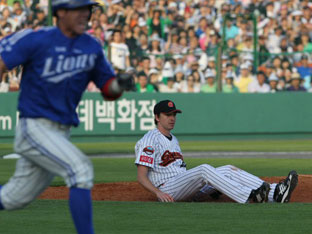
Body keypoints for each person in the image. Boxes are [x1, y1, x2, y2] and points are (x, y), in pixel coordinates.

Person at [0, 1, 135, 234]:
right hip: (34, 126)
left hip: (61, 131)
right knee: (80, 170)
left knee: (14, 198)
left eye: (88, 10)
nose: (86, 14)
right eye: (79, 9)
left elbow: (107, 89)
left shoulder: (91, 46)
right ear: (61, 11)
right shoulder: (36, 39)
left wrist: (119, 84)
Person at [135, 100, 298, 203]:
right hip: (168, 189)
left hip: (184, 186)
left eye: (174, 114)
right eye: (167, 114)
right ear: (157, 117)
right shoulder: (150, 139)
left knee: (228, 169)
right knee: (204, 169)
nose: (172, 118)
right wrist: (158, 193)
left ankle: (275, 192)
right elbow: (141, 177)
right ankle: (249, 196)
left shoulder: (173, 139)